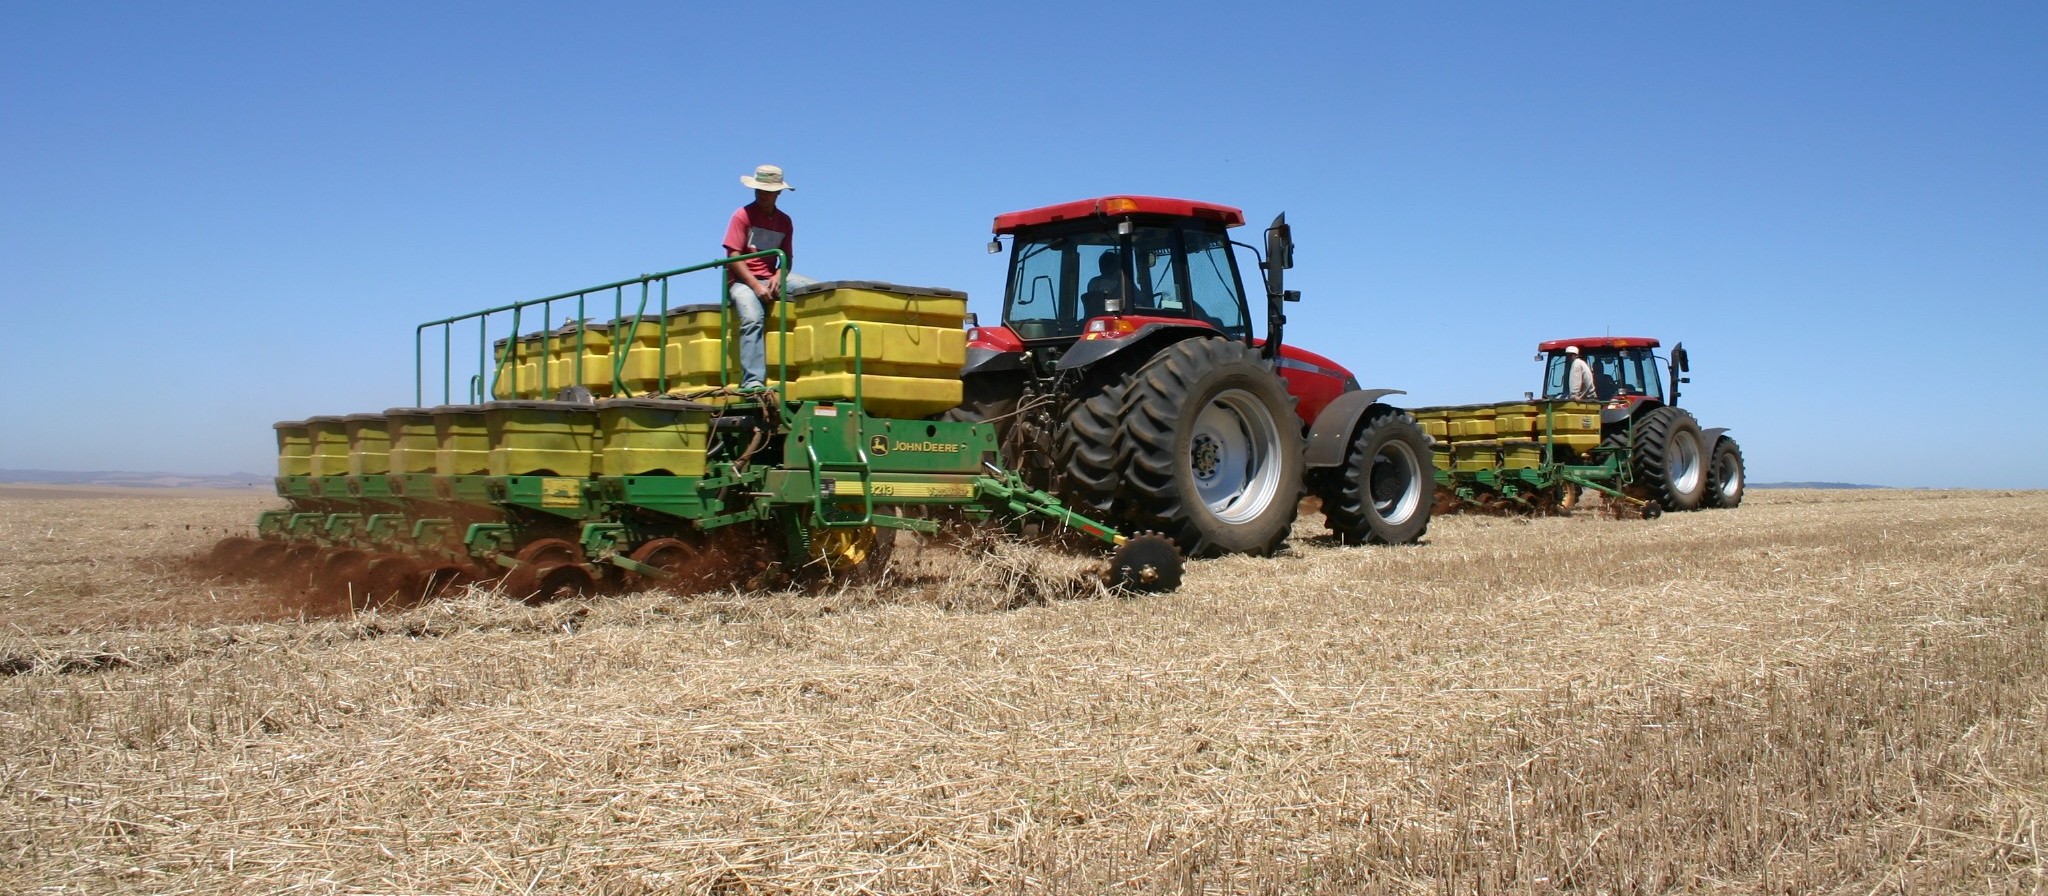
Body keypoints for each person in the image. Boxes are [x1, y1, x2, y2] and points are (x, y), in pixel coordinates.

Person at [723, 164, 794, 390]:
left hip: (771, 277)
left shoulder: (785, 221)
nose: (762, 194)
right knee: (753, 318)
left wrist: (779, 275)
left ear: (778, 193)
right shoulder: (741, 215)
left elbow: (787, 258)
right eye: (759, 189)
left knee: (818, 292)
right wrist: (755, 286)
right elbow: (733, 255)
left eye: (767, 190)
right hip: (742, 281)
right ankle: (753, 382)